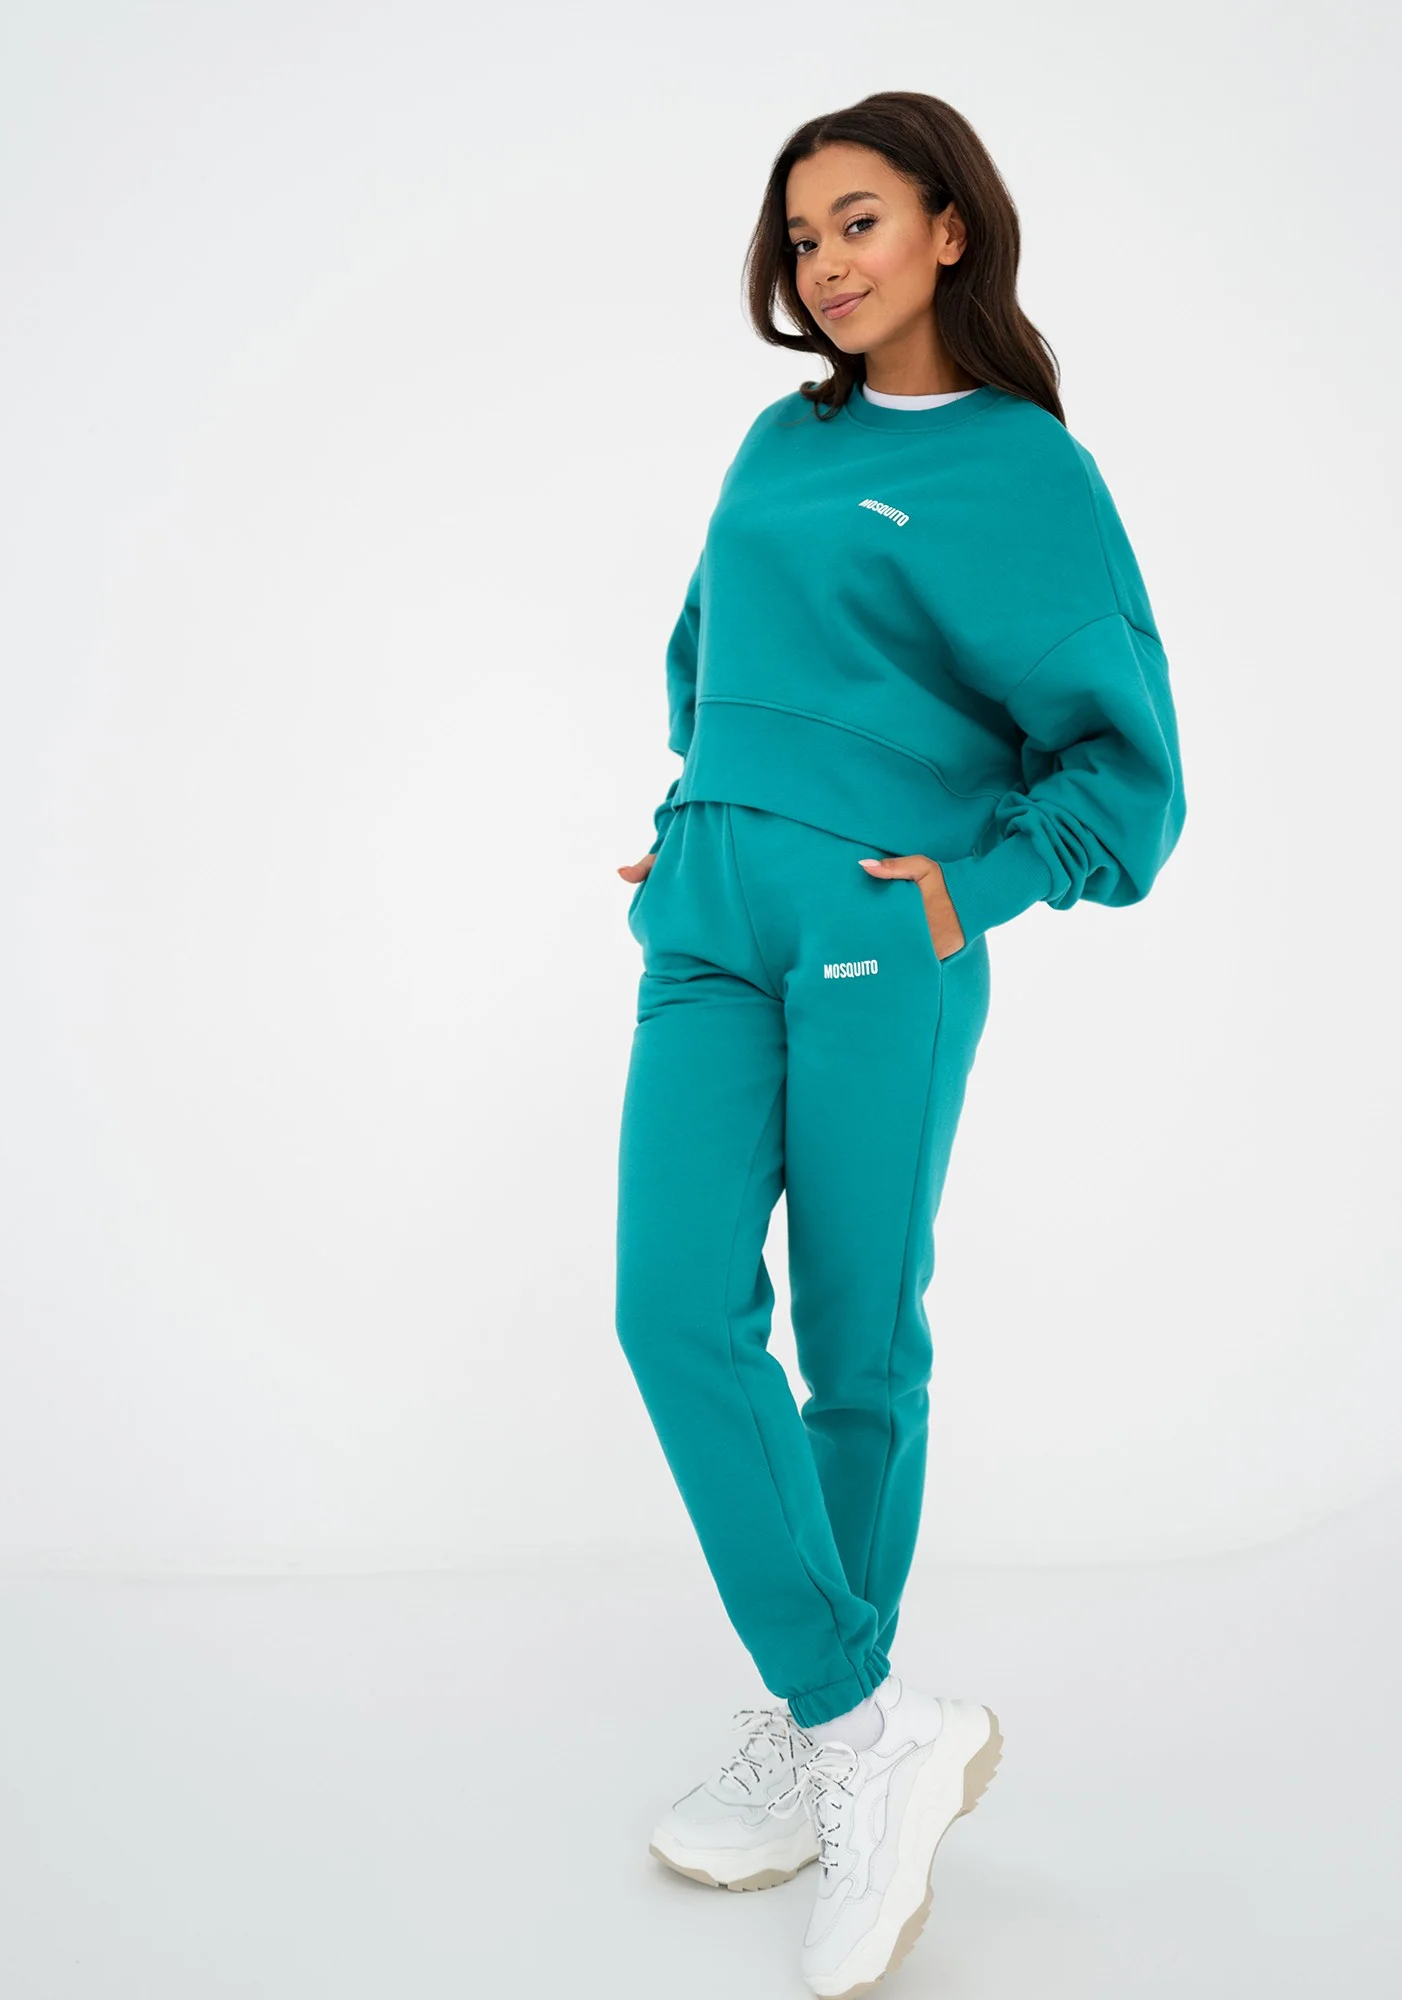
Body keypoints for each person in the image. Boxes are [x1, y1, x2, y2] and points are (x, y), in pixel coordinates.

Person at [613, 89, 1185, 1999]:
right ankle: (859, 1724)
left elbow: (1124, 769)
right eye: (801, 236)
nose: (825, 263)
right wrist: (705, 808)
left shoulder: (1026, 471)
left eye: (857, 220)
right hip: (706, 918)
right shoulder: (780, 440)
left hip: (883, 934)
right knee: (671, 1308)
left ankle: (831, 1737)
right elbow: (709, 656)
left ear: (950, 227)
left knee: (854, 1337)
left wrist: (972, 888)